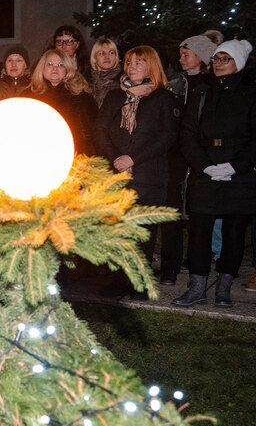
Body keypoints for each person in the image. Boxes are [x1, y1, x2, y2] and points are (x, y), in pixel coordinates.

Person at [175, 39, 255, 308]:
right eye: (216, 59)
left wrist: (235, 166)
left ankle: (224, 288)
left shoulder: (250, 93)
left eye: (225, 59)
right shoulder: (202, 92)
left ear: (238, 63)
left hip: (238, 174)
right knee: (199, 231)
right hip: (206, 169)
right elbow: (187, 134)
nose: (219, 64)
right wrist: (204, 166)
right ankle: (197, 287)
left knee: (234, 232)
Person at [95, 46, 180, 299]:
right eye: (129, 62)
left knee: (142, 231)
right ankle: (116, 280)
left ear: (151, 66)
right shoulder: (115, 96)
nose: (132, 67)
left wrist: (133, 158)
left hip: (148, 174)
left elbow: (166, 137)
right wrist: (116, 159)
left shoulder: (163, 98)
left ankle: (140, 282)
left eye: (139, 63)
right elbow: (100, 129)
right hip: (117, 173)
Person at [160, 33, 218, 285]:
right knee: (172, 211)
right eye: (180, 55)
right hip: (175, 155)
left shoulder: (213, 86)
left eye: (186, 55)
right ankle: (169, 266)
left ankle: (197, 262)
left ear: (201, 57)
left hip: (202, 156)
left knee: (198, 213)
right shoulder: (175, 84)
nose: (181, 59)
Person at [27, 49, 96, 155]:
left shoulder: (81, 96)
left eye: (60, 65)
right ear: (42, 67)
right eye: (50, 64)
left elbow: (92, 130)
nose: (55, 68)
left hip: (75, 154)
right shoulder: (28, 96)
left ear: (67, 69)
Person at [90, 37, 122, 108]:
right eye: (102, 53)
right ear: (95, 58)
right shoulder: (86, 82)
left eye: (111, 53)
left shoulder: (123, 81)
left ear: (116, 57)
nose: (107, 57)